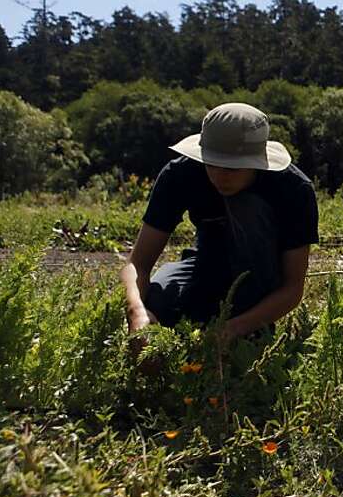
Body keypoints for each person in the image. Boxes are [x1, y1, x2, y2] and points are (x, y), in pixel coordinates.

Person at [122, 103, 318, 348]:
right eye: (212, 163)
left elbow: (292, 288)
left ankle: (248, 324)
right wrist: (137, 312)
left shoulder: (292, 189)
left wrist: (233, 328)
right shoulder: (180, 174)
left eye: (233, 167)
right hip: (205, 262)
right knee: (157, 302)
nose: (220, 175)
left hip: (260, 275)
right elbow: (137, 264)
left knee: (248, 206)